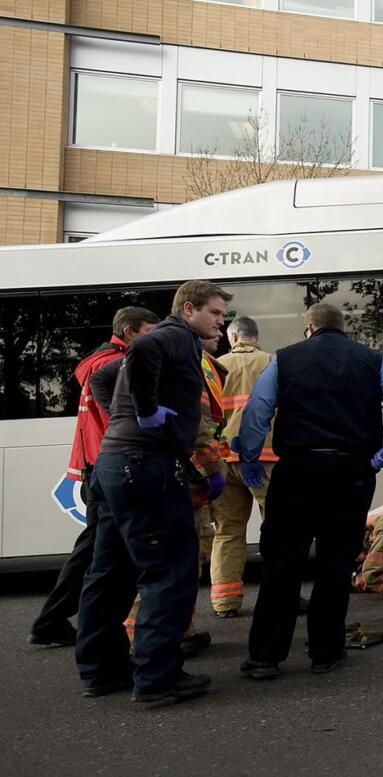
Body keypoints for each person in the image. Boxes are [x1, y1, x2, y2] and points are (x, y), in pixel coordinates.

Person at [75, 279, 231, 706]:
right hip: (146, 467)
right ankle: (157, 680)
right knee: (170, 572)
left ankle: (101, 671)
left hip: (114, 465)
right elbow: (140, 353)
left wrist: (123, 416)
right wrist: (144, 413)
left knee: (110, 572)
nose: (221, 321)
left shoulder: (164, 340)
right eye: (215, 313)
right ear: (188, 309)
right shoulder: (175, 337)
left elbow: (104, 378)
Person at [237, 302, 383, 680]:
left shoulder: (285, 360)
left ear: (308, 330)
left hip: (297, 471)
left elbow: (257, 411)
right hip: (351, 472)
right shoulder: (372, 360)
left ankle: (265, 657)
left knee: (282, 563)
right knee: (335, 563)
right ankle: (326, 653)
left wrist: (250, 456)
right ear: (343, 329)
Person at [28, 307, 158, 648]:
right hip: (111, 467)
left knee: (93, 552)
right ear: (130, 332)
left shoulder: (98, 361)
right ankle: (64, 624)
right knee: (101, 556)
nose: (155, 338)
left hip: (99, 465)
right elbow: (122, 416)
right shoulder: (113, 365)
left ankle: (53, 621)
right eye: (149, 330)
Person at [209, 316, 276, 618]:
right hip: (265, 459)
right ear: (255, 338)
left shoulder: (213, 364)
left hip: (223, 460)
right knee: (278, 529)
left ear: (233, 338)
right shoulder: (273, 363)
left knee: (227, 530)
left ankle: (225, 602)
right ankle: (278, 594)